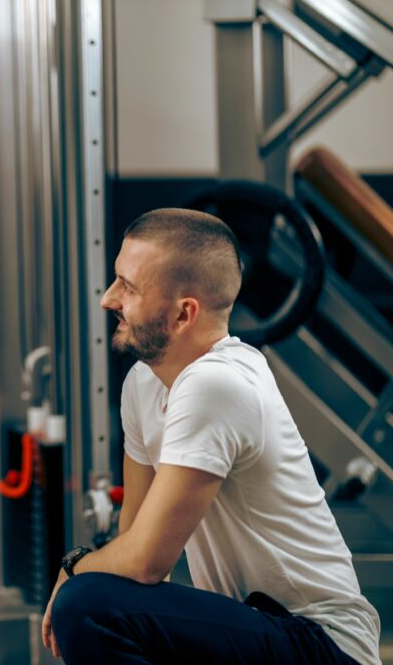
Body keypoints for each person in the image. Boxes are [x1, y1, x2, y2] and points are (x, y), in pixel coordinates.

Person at [41, 208, 380, 664]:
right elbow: (133, 553)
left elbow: (145, 561)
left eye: (129, 287)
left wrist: (75, 566)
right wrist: (89, 571)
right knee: (95, 598)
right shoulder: (142, 385)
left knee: (88, 605)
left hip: (323, 641)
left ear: (184, 314)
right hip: (258, 626)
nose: (108, 299)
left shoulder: (216, 384)